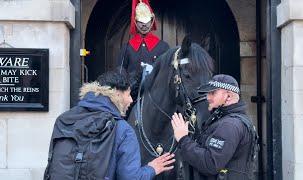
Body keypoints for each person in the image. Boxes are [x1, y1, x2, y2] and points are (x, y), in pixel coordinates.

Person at [45, 70, 175, 180]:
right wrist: (151, 169)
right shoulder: (122, 129)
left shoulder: (64, 120)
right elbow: (130, 177)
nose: (131, 100)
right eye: (128, 94)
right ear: (117, 93)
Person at [171, 74, 259, 180]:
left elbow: (210, 164)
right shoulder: (226, 120)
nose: (208, 97)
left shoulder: (230, 125)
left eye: (213, 93)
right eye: (208, 93)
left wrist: (183, 139)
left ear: (228, 96)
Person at [117, 0, 169, 101]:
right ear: (135, 22)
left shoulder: (163, 47)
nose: (144, 25)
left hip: (156, 95)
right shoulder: (126, 47)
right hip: (131, 96)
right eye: (141, 22)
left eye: (147, 21)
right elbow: (120, 71)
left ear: (152, 21)